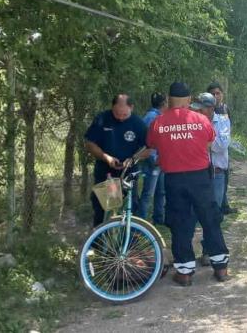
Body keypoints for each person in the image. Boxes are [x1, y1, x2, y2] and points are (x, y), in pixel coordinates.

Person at [147, 82, 230, 286]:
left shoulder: (159, 122)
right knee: (210, 218)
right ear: (189, 99)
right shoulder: (201, 119)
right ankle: (221, 269)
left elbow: (152, 145)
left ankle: (184, 273)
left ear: (168, 99)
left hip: (174, 179)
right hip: (200, 177)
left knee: (180, 223)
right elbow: (209, 143)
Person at [85, 94, 147, 227]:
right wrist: (106, 157)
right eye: (117, 113)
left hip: (128, 174)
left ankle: (127, 242)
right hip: (106, 173)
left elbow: (150, 148)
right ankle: (100, 243)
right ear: (112, 107)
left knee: (130, 207)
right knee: (103, 208)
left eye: (124, 114)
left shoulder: (138, 124)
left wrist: (133, 159)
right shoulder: (102, 119)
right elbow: (90, 143)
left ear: (131, 107)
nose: (120, 117)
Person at [191, 92, 231, 267]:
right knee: (193, 212)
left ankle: (209, 251)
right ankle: (187, 252)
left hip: (216, 173)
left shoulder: (222, 121)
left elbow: (221, 145)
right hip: (197, 173)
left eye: (201, 109)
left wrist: (204, 135)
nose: (198, 112)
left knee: (212, 214)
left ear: (210, 108)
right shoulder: (192, 122)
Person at [137, 92, 167, 225]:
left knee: (161, 191)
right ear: (163, 104)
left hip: (159, 162)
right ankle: (141, 222)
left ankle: (158, 219)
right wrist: (154, 159)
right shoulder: (152, 117)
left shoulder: (156, 116)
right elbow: (147, 142)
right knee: (148, 193)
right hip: (152, 162)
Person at [207, 81, 237, 215]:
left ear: (222, 95)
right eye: (212, 94)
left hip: (222, 151)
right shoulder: (202, 113)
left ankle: (224, 205)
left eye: (217, 93)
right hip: (207, 159)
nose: (215, 96)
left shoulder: (225, 109)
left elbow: (227, 131)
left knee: (224, 177)